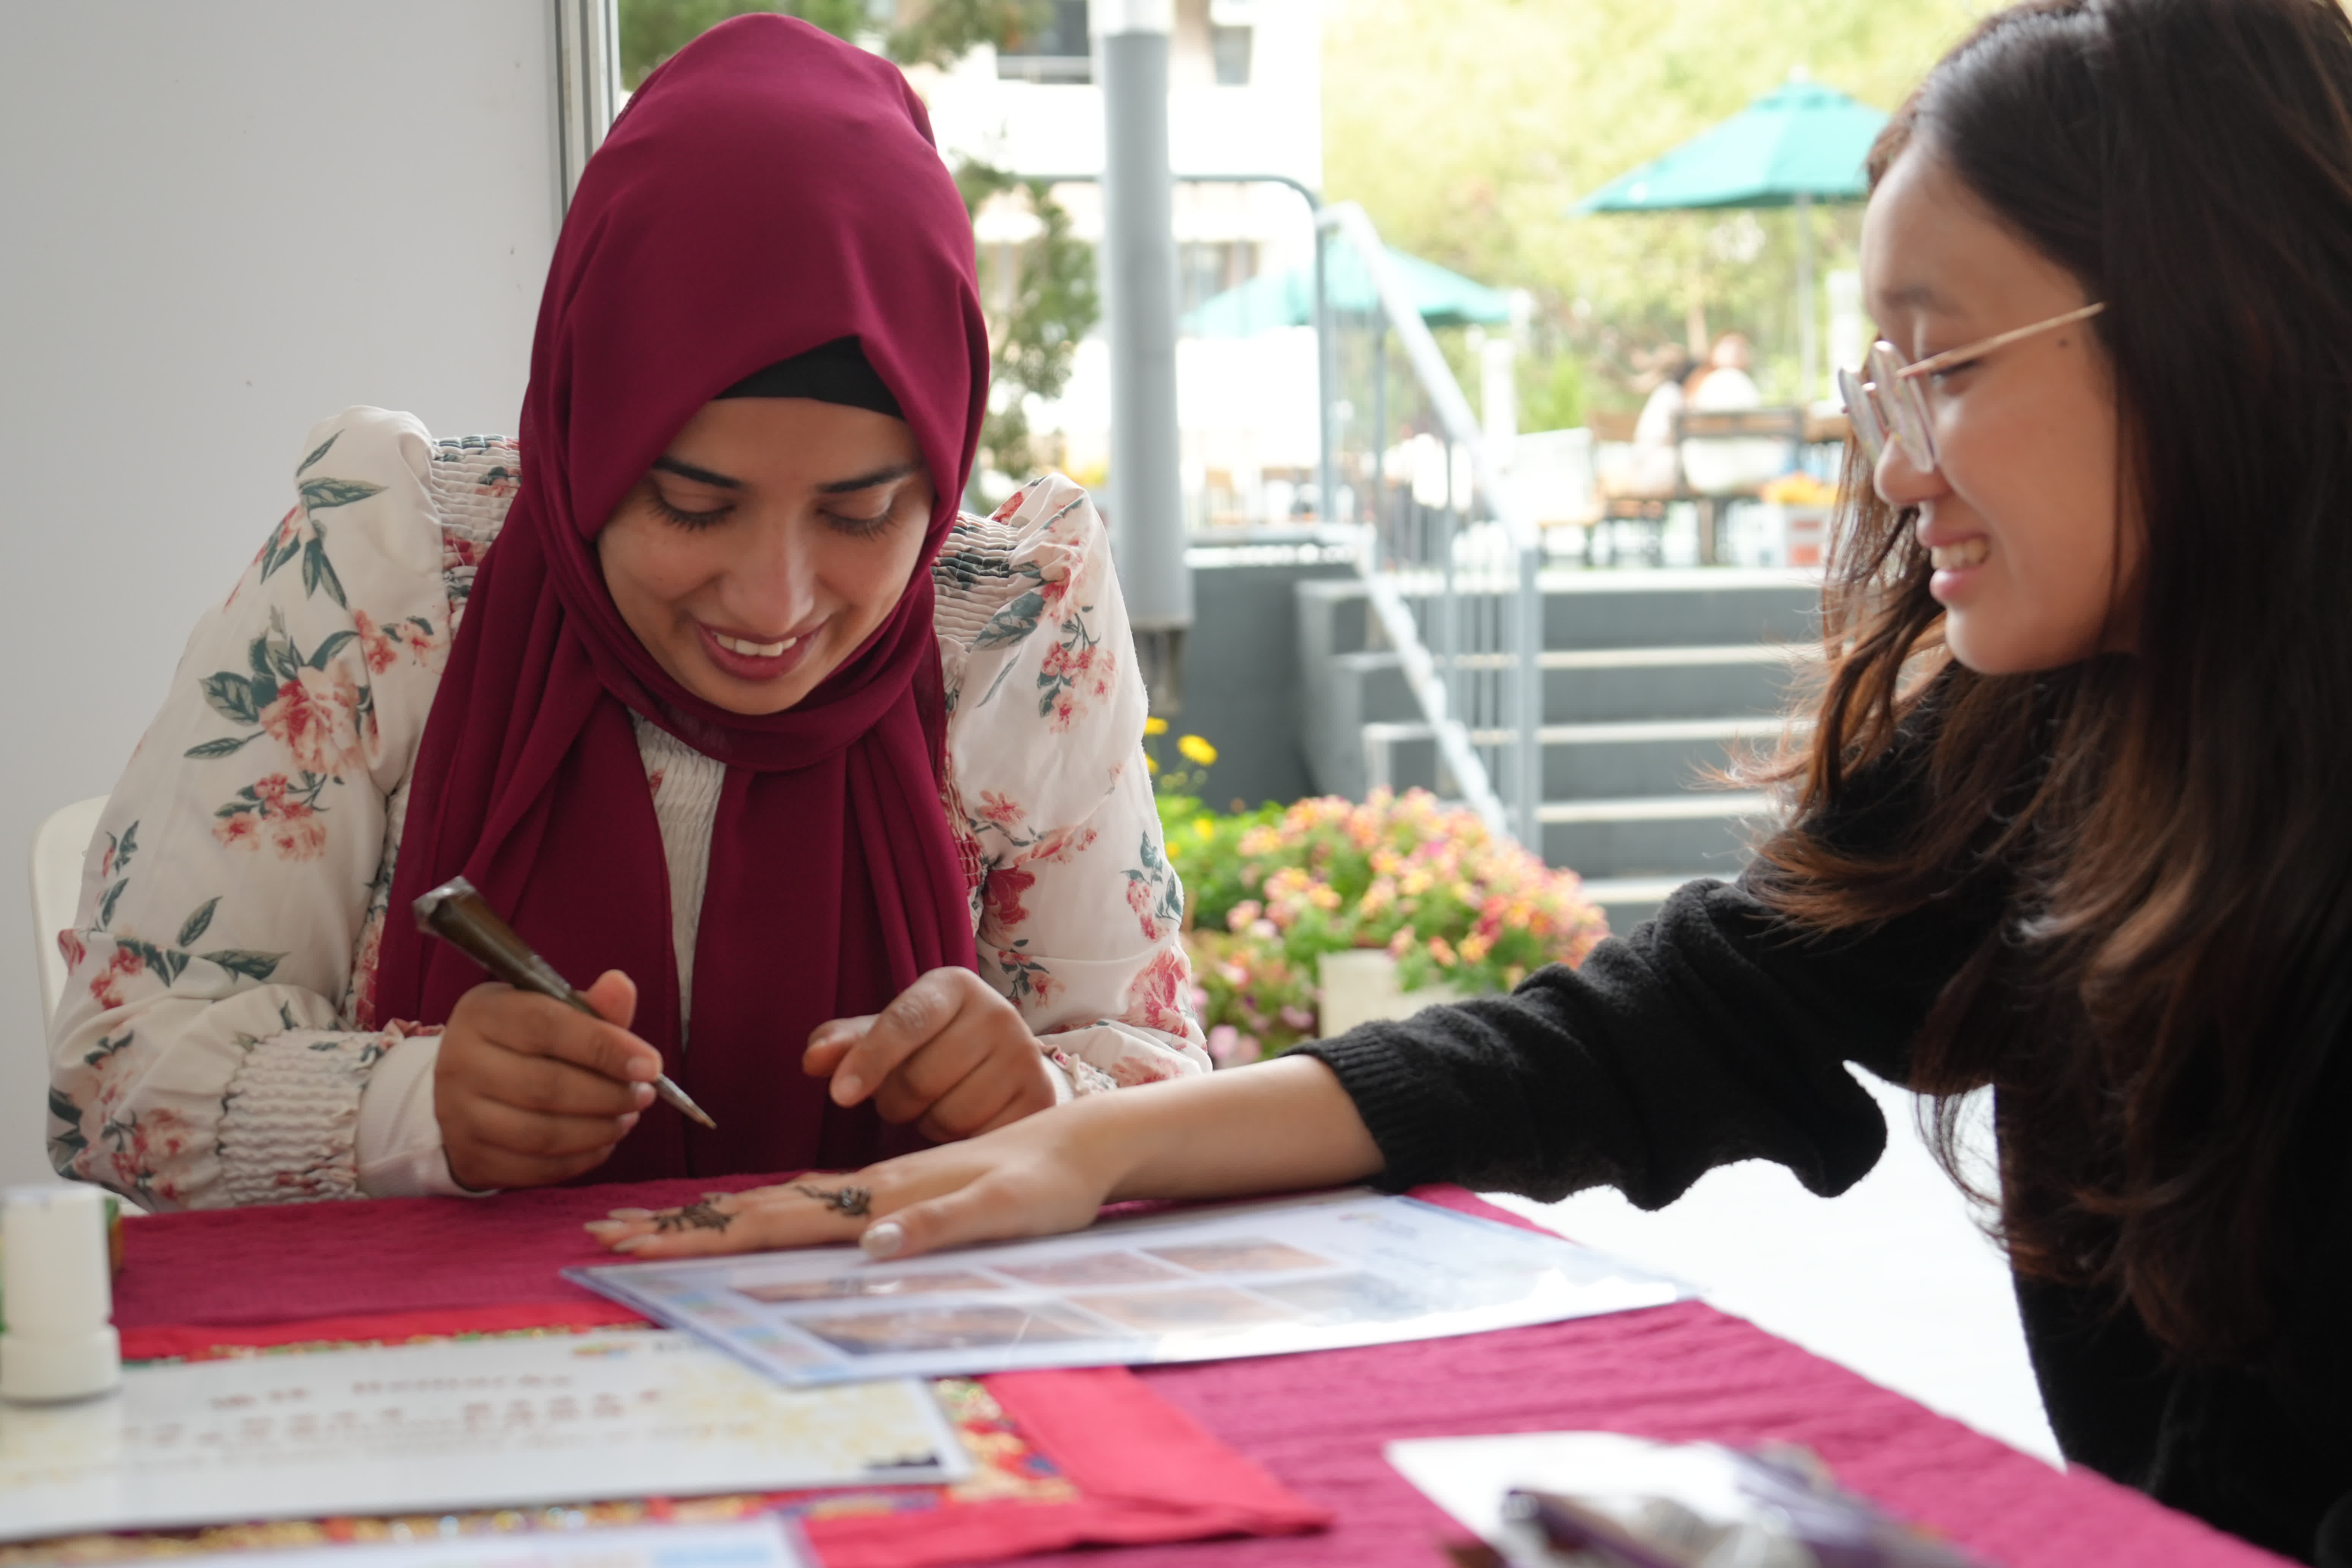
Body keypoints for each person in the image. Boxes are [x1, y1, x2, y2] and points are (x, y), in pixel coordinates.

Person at [590, 0, 2352, 1560]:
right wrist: (1092, 1146)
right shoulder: (2042, 741)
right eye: (1882, 383)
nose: (1893, 469)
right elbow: (1656, 1027)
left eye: (1949, 368)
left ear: (2233, 330)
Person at [44, 16, 1206, 1212]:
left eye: (860, 516)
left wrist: (1041, 1102)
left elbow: (1164, 1082)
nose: (773, 602)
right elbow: (113, 1083)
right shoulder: (388, 581)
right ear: (588, 440)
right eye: (693, 506)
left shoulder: (1010, 643)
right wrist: (414, 1110)